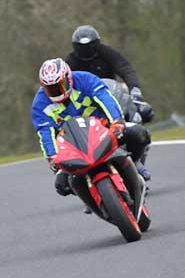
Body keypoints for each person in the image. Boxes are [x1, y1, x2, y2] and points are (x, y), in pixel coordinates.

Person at [31, 58, 151, 199]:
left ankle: (134, 162)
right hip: (73, 144)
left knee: (139, 134)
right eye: (50, 88)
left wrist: (117, 122)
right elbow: (45, 132)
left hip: (104, 128)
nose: (56, 91)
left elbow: (106, 99)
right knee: (61, 185)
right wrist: (52, 157)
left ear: (68, 78)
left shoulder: (84, 79)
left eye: (60, 85)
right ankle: (92, 196)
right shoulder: (40, 103)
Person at [66, 25, 154, 179]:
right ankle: (79, 173)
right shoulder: (70, 62)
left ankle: (137, 160)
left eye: (91, 46)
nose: (87, 50)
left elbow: (125, 67)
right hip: (85, 105)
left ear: (97, 43)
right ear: (76, 47)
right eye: (82, 47)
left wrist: (135, 91)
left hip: (111, 95)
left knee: (140, 113)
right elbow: (65, 83)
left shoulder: (105, 52)